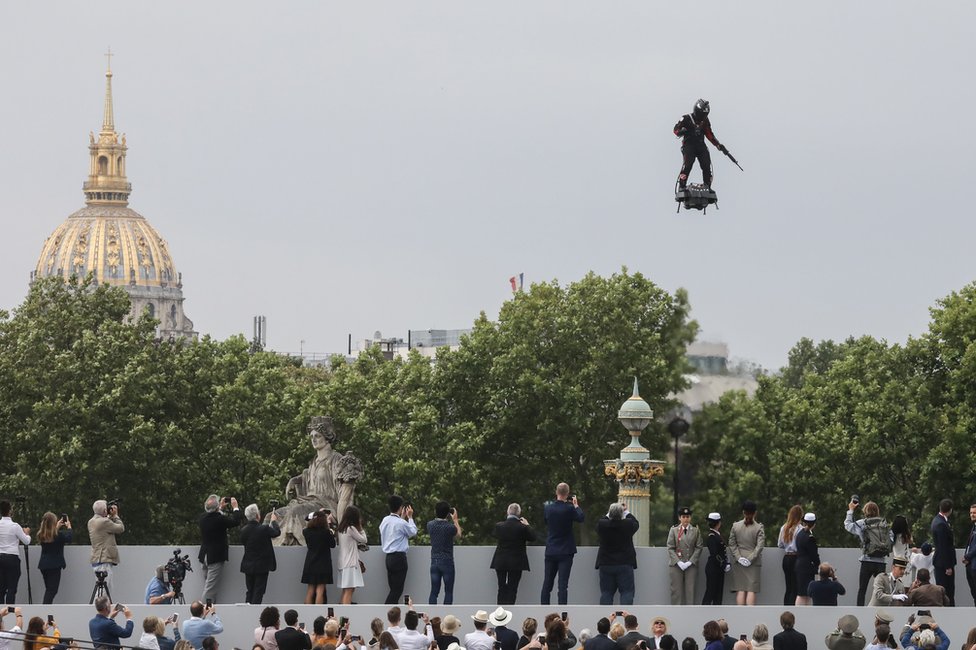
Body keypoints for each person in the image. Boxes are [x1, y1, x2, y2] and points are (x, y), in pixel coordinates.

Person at [280, 416, 363, 545]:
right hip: (309, 502)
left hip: (326, 505)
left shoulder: (337, 460)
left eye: (317, 436)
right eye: (311, 436)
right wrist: (296, 480)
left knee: (295, 512)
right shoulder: (314, 462)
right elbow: (308, 477)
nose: (313, 439)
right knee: (275, 515)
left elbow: (344, 493)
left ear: (327, 437)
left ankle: (294, 545)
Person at [541, 482, 584, 605]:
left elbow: (546, 522)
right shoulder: (569, 508)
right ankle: (563, 613)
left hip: (551, 549)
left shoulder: (548, 508)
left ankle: (544, 609)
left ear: (556, 492)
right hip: (566, 550)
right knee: (562, 585)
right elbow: (581, 518)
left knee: (547, 583)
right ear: (568, 494)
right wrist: (576, 505)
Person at [673, 99, 728, 190]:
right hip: (688, 145)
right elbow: (675, 129)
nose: (702, 117)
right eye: (701, 114)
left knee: (706, 164)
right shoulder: (686, 118)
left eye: (705, 115)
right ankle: (682, 186)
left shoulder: (705, 121)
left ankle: (707, 186)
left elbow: (709, 134)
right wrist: (681, 132)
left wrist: (718, 145)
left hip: (700, 146)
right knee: (688, 164)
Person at [844, 499, 891, 606]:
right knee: (881, 589)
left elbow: (848, 525)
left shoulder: (862, 523)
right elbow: (891, 538)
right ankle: (880, 611)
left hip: (867, 560)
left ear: (865, 511)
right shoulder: (884, 523)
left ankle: (860, 611)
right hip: (881, 561)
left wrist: (850, 510)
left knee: (862, 589)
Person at [198, 494, 242, 604]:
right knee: (209, 590)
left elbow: (214, 517)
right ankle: (201, 612)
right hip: (215, 557)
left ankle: (211, 609)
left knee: (209, 586)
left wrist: (220, 508)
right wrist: (235, 507)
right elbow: (235, 521)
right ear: (216, 508)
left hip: (205, 556)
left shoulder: (202, 518)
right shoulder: (219, 519)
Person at [490, 503, 535, 605]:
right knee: (513, 588)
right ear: (519, 513)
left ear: (507, 512)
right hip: (516, 561)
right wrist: (527, 525)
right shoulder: (522, 527)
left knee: (501, 587)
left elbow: (494, 535)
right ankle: (510, 610)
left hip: (501, 561)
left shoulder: (499, 526)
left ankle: (499, 613)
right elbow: (533, 537)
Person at [596, 502, 640, 605]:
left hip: (606, 563)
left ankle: (605, 619)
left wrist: (609, 513)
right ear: (622, 514)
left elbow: (600, 523)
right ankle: (626, 618)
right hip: (624, 563)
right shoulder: (628, 524)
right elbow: (636, 523)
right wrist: (626, 511)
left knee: (606, 593)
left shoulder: (602, 525)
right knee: (627, 592)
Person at [240, 503, 281, 604]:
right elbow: (276, 533)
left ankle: (247, 608)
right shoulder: (264, 529)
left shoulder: (244, 530)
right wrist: (274, 521)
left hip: (248, 564)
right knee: (259, 591)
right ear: (257, 515)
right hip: (262, 565)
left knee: (250, 590)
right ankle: (254, 611)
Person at [379, 495, 417, 605]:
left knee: (393, 588)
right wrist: (410, 517)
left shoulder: (385, 520)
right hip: (399, 558)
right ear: (400, 508)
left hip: (389, 558)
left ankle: (391, 611)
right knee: (397, 590)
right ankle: (387, 610)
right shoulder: (401, 523)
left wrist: (402, 518)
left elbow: (395, 531)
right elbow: (413, 531)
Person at [728, 499, 765, 605]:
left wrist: (739, 557)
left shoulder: (735, 526)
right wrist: (750, 559)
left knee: (740, 589)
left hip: (739, 562)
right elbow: (760, 546)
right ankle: (750, 616)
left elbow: (732, 543)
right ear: (755, 513)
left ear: (743, 512)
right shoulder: (759, 527)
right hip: (753, 562)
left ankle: (740, 615)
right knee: (751, 589)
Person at [427, 501, 462, 605]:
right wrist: (455, 520)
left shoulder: (430, 525)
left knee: (434, 591)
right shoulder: (449, 527)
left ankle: (432, 614)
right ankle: (447, 615)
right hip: (447, 561)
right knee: (448, 591)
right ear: (448, 513)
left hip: (434, 561)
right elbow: (458, 535)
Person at [666, 506, 702, 605]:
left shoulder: (696, 530)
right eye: (683, 516)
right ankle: (675, 613)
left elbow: (699, 547)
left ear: (690, 518)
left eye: (688, 516)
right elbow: (670, 547)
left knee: (690, 590)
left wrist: (691, 561)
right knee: (676, 591)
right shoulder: (674, 530)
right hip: (677, 564)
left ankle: (690, 613)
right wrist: (678, 561)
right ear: (679, 518)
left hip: (691, 564)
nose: (686, 519)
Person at [301, 509, 336, 604]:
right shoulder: (326, 532)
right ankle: (318, 612)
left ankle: (307, 611)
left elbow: (307, 519)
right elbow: (333, 544)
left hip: (310, 563)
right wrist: (329, 526)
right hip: (323, 564)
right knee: (320, 590)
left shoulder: (306, 532)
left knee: (310, 590)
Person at [36, 511, 71, 604]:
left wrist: (57, 527)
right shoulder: (57, 536)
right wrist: (69, 527)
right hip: (54, 565)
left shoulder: (41, 534)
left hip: (44, 565)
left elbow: (51, 534)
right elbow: (69, 538)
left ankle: (47, 606)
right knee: (52, 590)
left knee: (49, 589)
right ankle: (46, 608)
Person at [0, 500, 31, 604]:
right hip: (12, 557)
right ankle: (9, 610)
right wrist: (26, 533)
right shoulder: (15, 526)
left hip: (0, 557)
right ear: (10, 511)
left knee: (1, 588)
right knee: (12, 588)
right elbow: (26, 541)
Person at [88, 499, 123, 590]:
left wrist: (109, 516)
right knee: (104, 590)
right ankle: (98, 604)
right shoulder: (104, 522)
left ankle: (101, 604)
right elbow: (120, 528)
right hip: (104, 559)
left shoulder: (91, 521)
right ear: (104, 511)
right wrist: (115, 516)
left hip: (97, 559)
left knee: (105, 588)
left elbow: (105, 524)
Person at [336, 505, 367, 604]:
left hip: (343, 562)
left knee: (346, 589)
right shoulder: (351, 528)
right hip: (350, 563)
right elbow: (364, 539)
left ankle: (341, 610)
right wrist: (361, 528)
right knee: (349, 590)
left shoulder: (341, 529)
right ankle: (346, 613)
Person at [931, 498, 956, 606]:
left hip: (941, 562)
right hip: (943, 563)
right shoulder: (941, 524)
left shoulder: (937, 520)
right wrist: (948, 566)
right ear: (950, 510)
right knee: (947, 591)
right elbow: (943, 546)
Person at [777, 505, 803, 606]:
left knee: (788, 586)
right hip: (796, 557)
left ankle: (786, 607)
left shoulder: (784, 527)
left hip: (787, 557)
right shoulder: (800, 529)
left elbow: (780, 544)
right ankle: (793, 608)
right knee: (795, 586)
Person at [702, 513, 728, 605]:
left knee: (718, 593)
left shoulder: (717, 535)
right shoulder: (712, 536)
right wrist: (723, 563)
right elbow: (715, 554)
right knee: (711, 591)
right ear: (718, 523)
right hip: (714, 568)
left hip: (718, 568)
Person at [793, 513, 818, 606]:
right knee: (803, 593)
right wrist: (818, 565)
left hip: (800, 564)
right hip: (807, 567)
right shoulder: (809, 537)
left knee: (805, 592)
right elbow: (813, 554)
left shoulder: (800, 534)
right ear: (814, 524)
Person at [964, 504, 976, 605]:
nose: (972, 515)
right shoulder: (973, 527)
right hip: (970, 565)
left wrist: (967, 556)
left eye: (974, 513)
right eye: (971, 513)